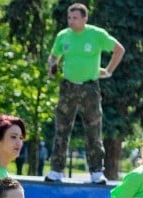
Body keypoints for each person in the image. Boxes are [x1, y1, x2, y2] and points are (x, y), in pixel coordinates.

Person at [45, 3, 124, 184]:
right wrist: (52, 65)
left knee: (93, 129)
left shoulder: (96, 35)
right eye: (69, 18)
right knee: (62, 128)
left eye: (75, 18)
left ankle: (96, 172)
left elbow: (119, 50)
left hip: (90, 87)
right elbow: (53, 57)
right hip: (68, 86)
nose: (71, 21)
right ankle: (56, 170)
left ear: (84, 19)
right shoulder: (63, 36)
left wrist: (108, 71)